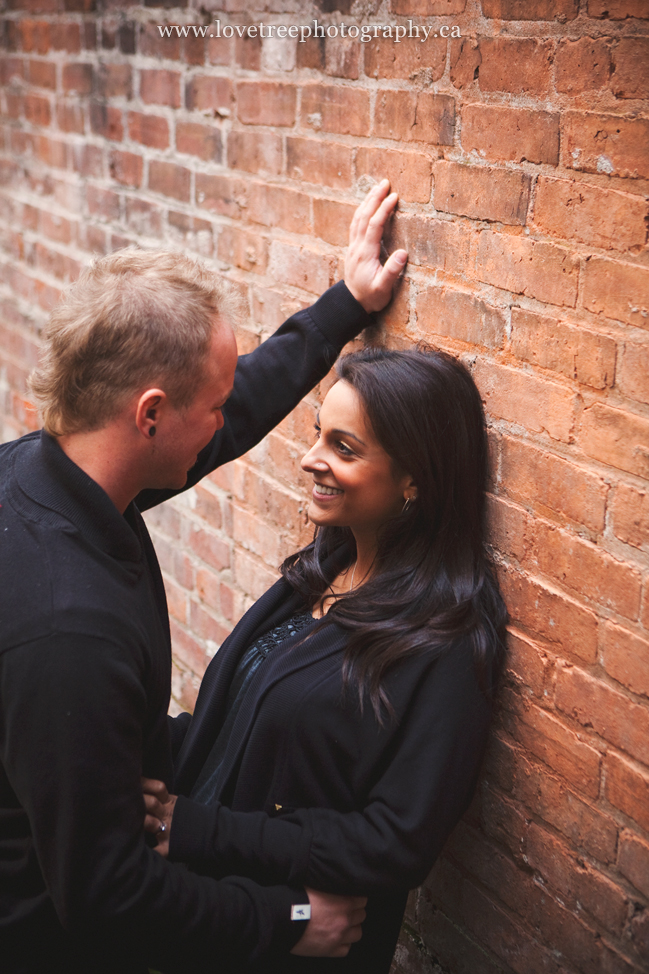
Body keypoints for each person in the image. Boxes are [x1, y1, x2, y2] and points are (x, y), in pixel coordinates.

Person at [0, 181, 408, 974]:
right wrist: (287, 917)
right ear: (148, 415)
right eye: (210, 406)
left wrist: (344, 305)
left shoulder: (47, 469)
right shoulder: (67, 636)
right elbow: (106, 893)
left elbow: (238, 401)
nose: (226, 421)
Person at [144, 341, 509, 973]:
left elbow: (397, 843)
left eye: (344, 447)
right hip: (207, 916)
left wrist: (200, 828)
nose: (311, 459)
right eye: (320, 434)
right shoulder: (321, 574)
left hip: (296, 946)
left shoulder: (448, 639)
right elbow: (238, 728)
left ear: (415, 477)